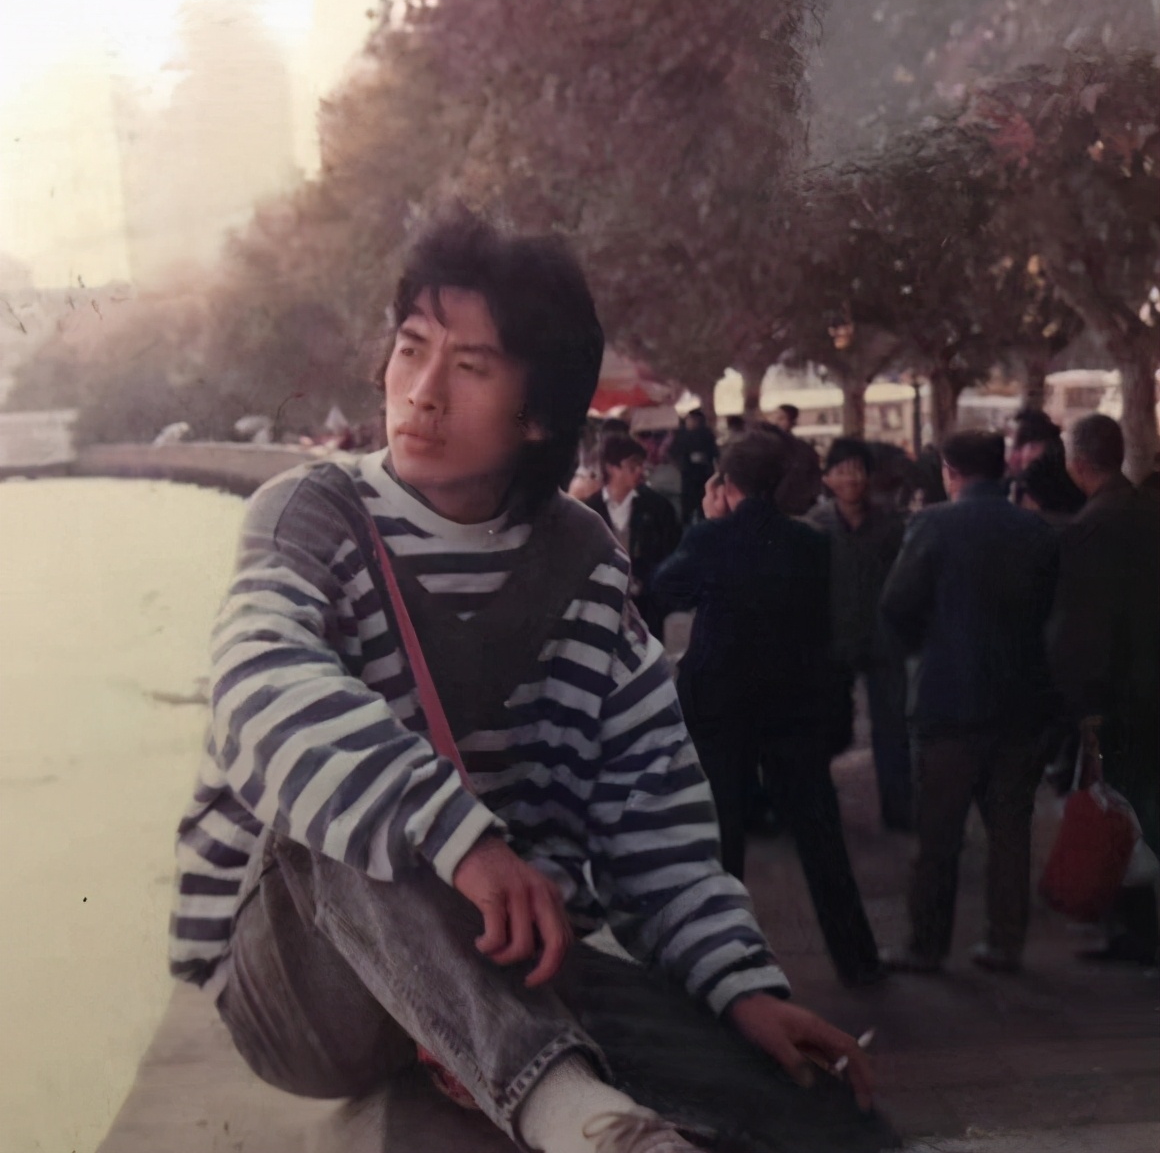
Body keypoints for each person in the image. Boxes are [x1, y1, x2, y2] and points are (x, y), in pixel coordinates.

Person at [168, 214, 888, 1153]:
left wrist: (741, 986)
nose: (422, 392)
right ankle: (570, 1115)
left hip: (506, 952)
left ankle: (577, 1079)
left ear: (539, 414)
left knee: (820, 1108)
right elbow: (259, 677)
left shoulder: (582, 565)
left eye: (470, 367)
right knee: (333, 792)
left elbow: (650, 815)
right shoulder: (310, 515)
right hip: (308, 987)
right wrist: (459, 837)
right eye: (411, 350)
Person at [653, 432, 884, 988]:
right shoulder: (810, 542)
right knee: (818, 833)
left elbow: (667, 589)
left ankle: (723, 957)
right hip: (793, 702)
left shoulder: (712, 538)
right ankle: (858, 960)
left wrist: (707, 522)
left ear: (725, 483)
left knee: (722, 834)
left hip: (721, 702)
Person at [880, 431, 1059, 974]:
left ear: (950, 471)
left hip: (948, 696)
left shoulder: (932, 525)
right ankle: (1004, 941)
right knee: (1010, 830)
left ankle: (927, 943)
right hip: (1021, 698)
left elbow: (897, 603)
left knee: (939, 832)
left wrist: (924, 648)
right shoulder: (1036, 529)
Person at [1048, 414, 1160, 966]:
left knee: (1128, 810)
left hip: (1122, 694)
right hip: (1150, 682)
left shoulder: (1090, 527)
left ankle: (1137, 931)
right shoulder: (1148, 511)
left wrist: (1082, 702)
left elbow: (1084, 628)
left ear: (1077, 463)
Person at [806, 438, 912, 831]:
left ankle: (899, 809)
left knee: (892, 727)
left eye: (858, 470)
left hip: (883, 640)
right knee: (827, 728)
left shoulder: (892, 524)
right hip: (830, 639)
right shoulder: (814, 525)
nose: (850, 478)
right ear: (827, 478)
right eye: (841, 470)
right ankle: (820, 812)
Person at [584, 433, 681, 640]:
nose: (639, 471)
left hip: (646, 604)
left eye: (641, 465)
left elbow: (671, 553)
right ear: (611, 467)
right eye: (632, 465)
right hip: (600, 604)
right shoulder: (590, 510)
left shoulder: (657, 507)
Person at [767, 405, 823, 516]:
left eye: (781, 418)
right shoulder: (765, 448)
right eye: (775, 418)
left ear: (792, 422)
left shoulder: (804, 449)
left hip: (798, 506)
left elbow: (814, 477)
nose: (776, 422)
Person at [668, 408, 718, 525]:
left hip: (703, 473)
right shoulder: (682, 435)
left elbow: (714, 452)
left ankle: (702, 521)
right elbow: (673, 452)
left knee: (702, 500)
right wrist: (680, 464)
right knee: (688, 502)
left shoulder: (706, 434)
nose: (691, 422)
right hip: (688, 472)